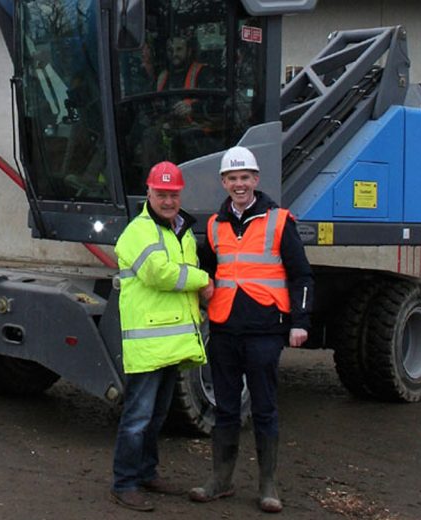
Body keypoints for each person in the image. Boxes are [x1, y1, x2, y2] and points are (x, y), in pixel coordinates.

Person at [188, 146, 314, 513]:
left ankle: (268, 484)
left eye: (245, 177)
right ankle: (221, 480)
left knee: (264, 408)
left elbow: (302, 275)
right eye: (232, 178)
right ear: (224, 182)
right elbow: (206, 273)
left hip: (265, 329)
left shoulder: (279, 221)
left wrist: (300, 323)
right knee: (225, 408)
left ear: (255, 180)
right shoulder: (214, 225)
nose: (239, 184)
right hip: (225, 328)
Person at [110, 161, 215, 512]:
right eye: (161, 194)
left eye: (173, 194)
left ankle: (146, 472)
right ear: (149, 192)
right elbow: (159, 274)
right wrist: (203, 281)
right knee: (138, 416)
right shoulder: (138, 231)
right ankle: (124, 482)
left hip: (170, 341)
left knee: (156, 416)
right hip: (147, 343)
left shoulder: (180, 230)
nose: (168, 201)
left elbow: (178, 273)